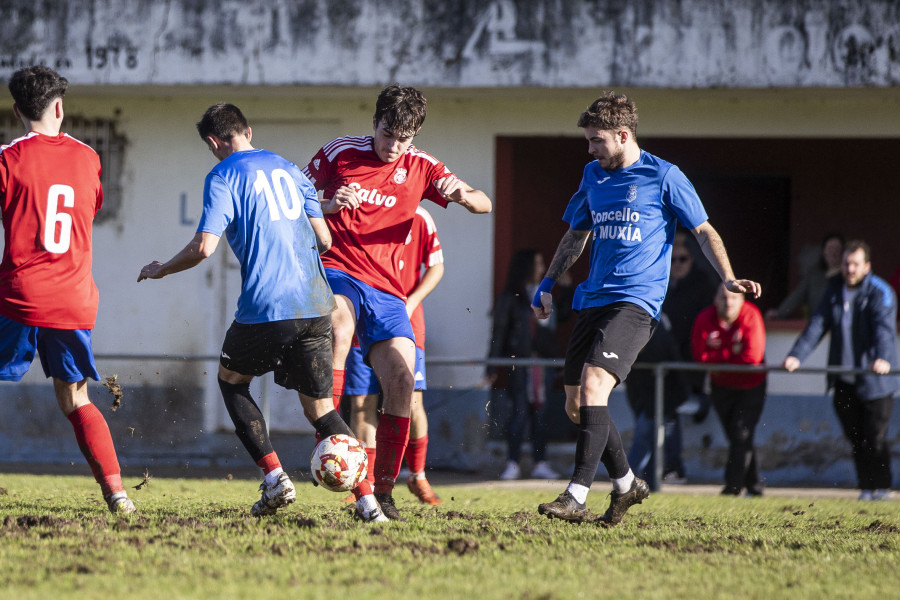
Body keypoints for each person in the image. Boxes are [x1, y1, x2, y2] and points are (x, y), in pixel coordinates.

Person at [533, 91, 761, 526]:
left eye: (597, 140)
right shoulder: (592, 175)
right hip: (593, 299)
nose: (590, 149)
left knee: (595, 384)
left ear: (623, 135)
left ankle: (575, 495)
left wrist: (727, 278)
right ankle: (627, 485)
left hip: (637, 302)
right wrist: (546, 284)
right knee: (577, 404)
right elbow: (575, 234)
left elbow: (703, 231)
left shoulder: (665, 176)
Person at [138, 103, 363, 518]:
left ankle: (276, 479)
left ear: (213, 141)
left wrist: (162, 269)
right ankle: (368, 501)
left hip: (266, 308)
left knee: (231, 381)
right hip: (316, 305)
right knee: (321, 409)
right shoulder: (291, 169)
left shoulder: (223, 175)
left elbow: (205, 247)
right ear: (249, 131)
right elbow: (326, 240)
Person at [302, 85, 492, 522]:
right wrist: (330, 205)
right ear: (375, 124)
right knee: (339, 323)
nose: (393, 146)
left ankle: (384, 491)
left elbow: (484, 203)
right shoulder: (340, 152)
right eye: (388, 134)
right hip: (339, 270)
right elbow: (295, 198)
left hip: (388, 291)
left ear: (415, 134)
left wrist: (464, 197)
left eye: (403, 139)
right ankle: (327, 437)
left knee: (403, 382)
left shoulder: (422, 166)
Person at [0, 66, 136, 514]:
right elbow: (87, 208)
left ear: (17, 110)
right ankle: (117, 494)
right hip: (74, 299)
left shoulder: (8, 159)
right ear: (59, 107)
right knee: (76, 397)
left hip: (20, 295)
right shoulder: (89, 157)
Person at [343, 206, 445, 505]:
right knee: (363, 404)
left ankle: (417, 475)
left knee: (412, 401)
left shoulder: (420, 216)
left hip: (406, 325)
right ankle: (367, 481)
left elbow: (437, 266)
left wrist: (411, 302)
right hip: (363, 322)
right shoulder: (358, 209)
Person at [783, 240, 898, 501]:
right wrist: (796, 355)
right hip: (844, 380)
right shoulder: (834, 290)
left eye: (855, 264)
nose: (850, 269)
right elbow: (817, 325)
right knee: (856, 438)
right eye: (846, 263)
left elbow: (885, 330)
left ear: (866, 266)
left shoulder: (881, 292)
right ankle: (865, 489)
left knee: (875, 438)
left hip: (875, 381)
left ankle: (882, 488)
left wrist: (882, 358)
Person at [488, 248, 563, 481]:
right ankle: (513, 462)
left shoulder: (545, 293)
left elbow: (557, 325)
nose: (542, 269)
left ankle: (540, 462)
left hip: (542, 364)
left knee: (541, 414)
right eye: (538, 264)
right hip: (520, 364)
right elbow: (499, 332)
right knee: (518, 413)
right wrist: (491, 366)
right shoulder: (511, 297)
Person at [692, 284, 767, 496]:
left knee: (741, 434)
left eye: (734, 298)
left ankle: (732, 488)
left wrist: (718, 361)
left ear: (742, 301)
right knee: (738, 437)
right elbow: (700, 356)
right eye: (724, 297)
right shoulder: (705, 318)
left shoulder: (751, 316)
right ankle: (755, 486)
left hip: (751, 386)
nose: (728, 302)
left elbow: (752, 357)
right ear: (716, 299)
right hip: (721, 387)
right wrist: (732, 354)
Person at [767, 232, 844, 320]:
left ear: (843, 252)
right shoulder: (814, 275)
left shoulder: (848, 276)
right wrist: (779, 312)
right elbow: (797, 296)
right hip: (817, 323)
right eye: (830, 248)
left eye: (837, 249)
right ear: (824, 251)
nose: (833, 253)